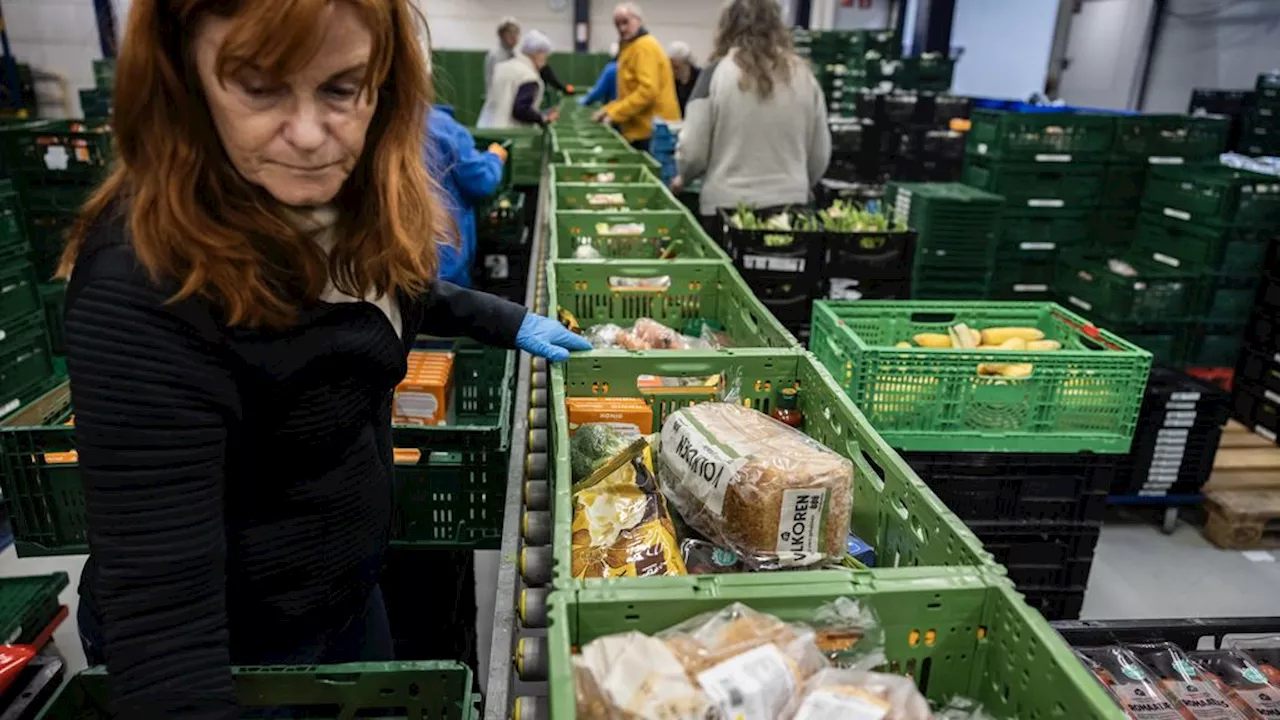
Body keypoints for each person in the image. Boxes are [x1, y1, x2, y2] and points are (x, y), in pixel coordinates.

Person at [59, 1, 590, 716]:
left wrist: (507, 318)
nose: (309, 135)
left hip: (344, 598)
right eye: (258, 86)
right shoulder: (143, 281)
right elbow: (162, 626)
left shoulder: (340, 199)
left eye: (341, 88)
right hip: (250, 655)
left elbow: (387, 280)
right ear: (183, 79)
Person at [673, 0, 831, 230]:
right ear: (777, 25)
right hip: (790, 211)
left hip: (726, 210)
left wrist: (683, 177)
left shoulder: (715, 74)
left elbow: (693, 151)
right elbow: (819, 155)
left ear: (727, 26)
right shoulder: (805, 76)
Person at [426, 105, 507, 287]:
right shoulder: (441, 125)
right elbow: (481, 181)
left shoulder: (378, 121)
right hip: (442, 260)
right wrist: (494, 158)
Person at [592, 2, 680, 152]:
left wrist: (615, 113)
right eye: (617, 24)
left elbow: (647, 92)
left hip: (653, 132)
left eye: (626, 22)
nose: (622, 28)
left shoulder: (644, 47)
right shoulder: (630, 48)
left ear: (638, 21)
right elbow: (629, 93)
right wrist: (608, 109)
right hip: (641, 129)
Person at [478, 30, 560, 129]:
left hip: (486, 127)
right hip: (507, 133)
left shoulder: (503, 66)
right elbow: (521, 110)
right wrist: (542, 118)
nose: (545, 60)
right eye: (544, 55)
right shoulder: (528, 76)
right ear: (537, 53)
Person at [484, 16, 520, 96]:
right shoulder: (496, 55)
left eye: (516, 33)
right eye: (510, 33)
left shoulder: (515, 55)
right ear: (501, 35)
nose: (514, 37)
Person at [580, 42, 620, 106]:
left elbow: (598, 92)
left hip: (614, 109)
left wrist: (585, 101)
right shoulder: (631, 66)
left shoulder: (611, 69)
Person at [668, 41, 701, 115]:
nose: (672, 71)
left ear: (687, 63)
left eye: (676, 67)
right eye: (670, 67)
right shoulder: (669, 80)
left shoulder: (701, 78)